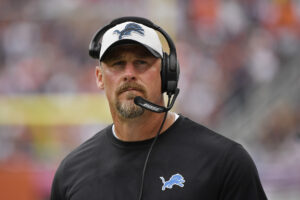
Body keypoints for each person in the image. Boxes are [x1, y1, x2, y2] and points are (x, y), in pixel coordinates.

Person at [50, 17, 268, 200]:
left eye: (141, 63)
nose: (129, 73)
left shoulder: (224, 162)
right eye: (117, 64)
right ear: (99, 78)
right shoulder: (71, 173)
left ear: (166, 73)